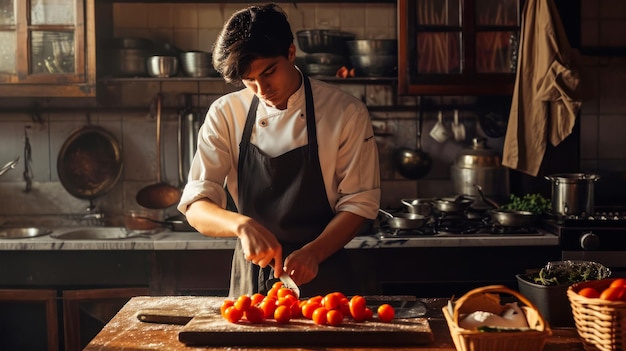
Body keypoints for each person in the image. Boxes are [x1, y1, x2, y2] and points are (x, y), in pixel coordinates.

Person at [177, 3, 380, 298]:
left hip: (325, 279)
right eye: (249, 81)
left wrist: (314, 252)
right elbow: (196, 206)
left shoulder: (345, 112)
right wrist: (240, 224)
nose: (262, 90)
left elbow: (360, 204)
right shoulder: (225, 114)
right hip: (250, 287)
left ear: (291, 52)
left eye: (269, 72)